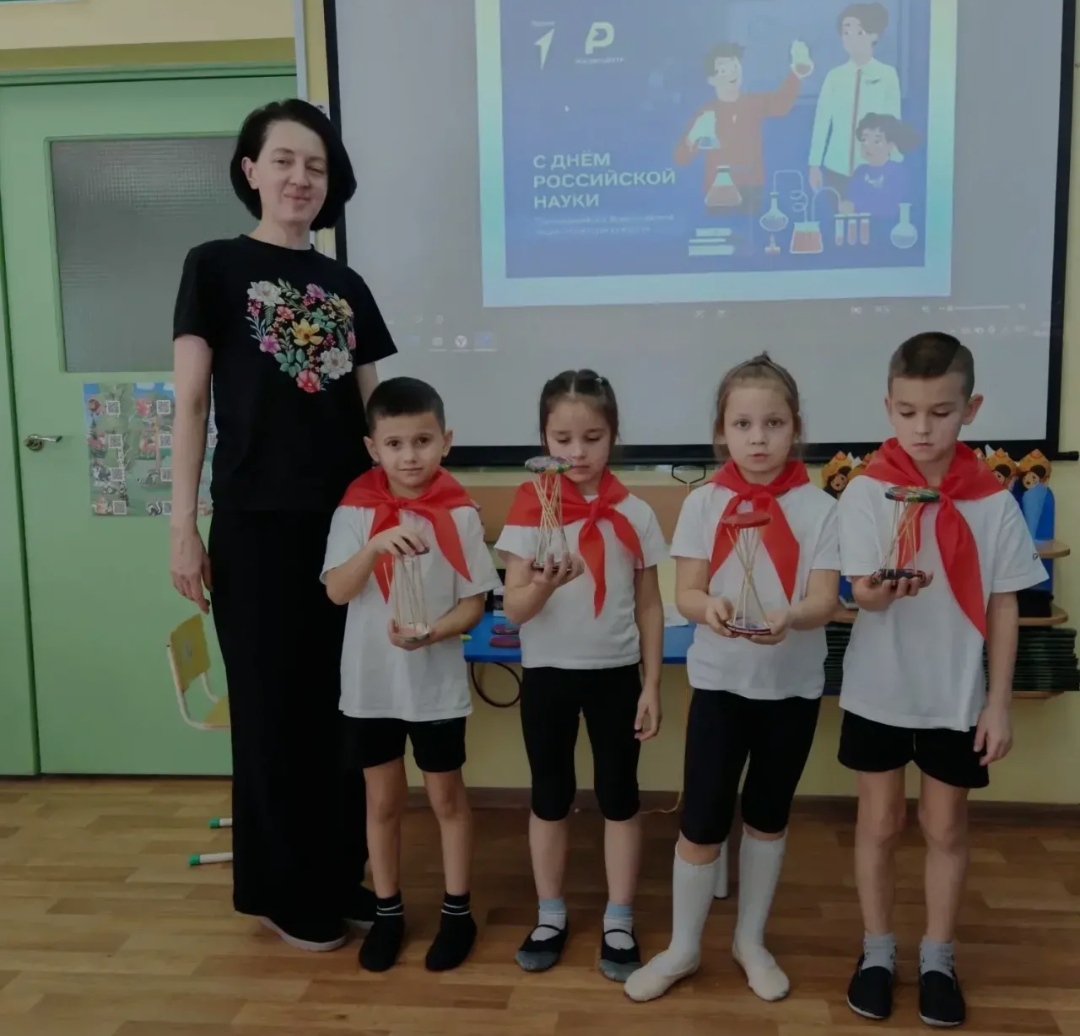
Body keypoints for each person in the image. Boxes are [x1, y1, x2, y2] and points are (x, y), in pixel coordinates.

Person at [170, 99, 397, 951]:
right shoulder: (214, 266)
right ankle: (278, 888)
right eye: (286, 160)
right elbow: (192, 404)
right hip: (256, 526)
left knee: (343, 708)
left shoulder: (347, 285)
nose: (302, 178)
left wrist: (408, 508)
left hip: (347, 530)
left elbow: (378, 413)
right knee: (272, 712)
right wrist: (183, 527)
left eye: (317, 165)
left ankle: (339, 872)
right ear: (251, 170)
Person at [837, 333, 1046, 1027]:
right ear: (887, 408)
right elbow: (861, 594)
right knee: (879, 822)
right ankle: (876, 952)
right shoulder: (866, 491)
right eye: (907, 412)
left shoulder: (992, 501)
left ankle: (937, 957)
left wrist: (998, 703)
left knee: (946, 825)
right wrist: (878, 592)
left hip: (955, 694)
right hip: (879, 688)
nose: (922, 429)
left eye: (941, 412)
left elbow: (1005, 604)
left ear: (971, 409)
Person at [625, 354, 839, 1005]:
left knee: (768, 818)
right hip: (720, 686)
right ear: (722, 431)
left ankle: (750, 940)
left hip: (791, 690)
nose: (758, 438)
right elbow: (687, 592)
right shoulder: (703, 503)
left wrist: (791, 616)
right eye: (743, 424)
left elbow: (824, 600)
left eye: (773, 423)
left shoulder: (820, 508)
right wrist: (708, 608)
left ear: (795, 427)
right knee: (701, 821)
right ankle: (683, 947)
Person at [322, 377, 501, 973]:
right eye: (395, 444)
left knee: (447, 796)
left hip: (434, 685)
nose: (409, 456)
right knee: (382, 801)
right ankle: (389, 912)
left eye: (422, 441)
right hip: (370, 687)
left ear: (445, 441)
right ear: (372, 448)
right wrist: (375, 545)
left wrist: (434, 632)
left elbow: (475, 604)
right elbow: (337, 591)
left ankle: (457, 912)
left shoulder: (460, 513)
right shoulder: (354, 510)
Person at [495, 371, 667, 981]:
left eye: (592, 438)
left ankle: (619, 917)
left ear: (613, 434)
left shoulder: (635, 513)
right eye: (562, 439)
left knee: (620, 797)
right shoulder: (529, 511)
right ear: (543, 438)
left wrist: (651, 685)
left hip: (616, 676)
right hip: (548, 676)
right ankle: (550, 914)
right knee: (550, 796)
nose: (577, 452)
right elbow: (515, 610)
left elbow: (650, 605)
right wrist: (544, 585)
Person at [675, 42, 812, 215]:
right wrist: (694, 135)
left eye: (735, 66)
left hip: (752, 187)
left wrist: (796, 73)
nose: (732, 73)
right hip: (717, 190)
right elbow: (680, 158)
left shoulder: (753, 103)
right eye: (723, 70)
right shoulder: (706, 113)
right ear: (712, 80)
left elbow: (781, 104)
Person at [809, 3, 901, 197]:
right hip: (836, 168)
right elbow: (822, 122)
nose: (851, 38)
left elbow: (893, 121)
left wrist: (893, 164)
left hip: (874, 167)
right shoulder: (834, 77)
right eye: (846, 32)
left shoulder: (887, 75)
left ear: (874, 35)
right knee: (839, 213)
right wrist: (814, 165)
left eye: (859, 32)